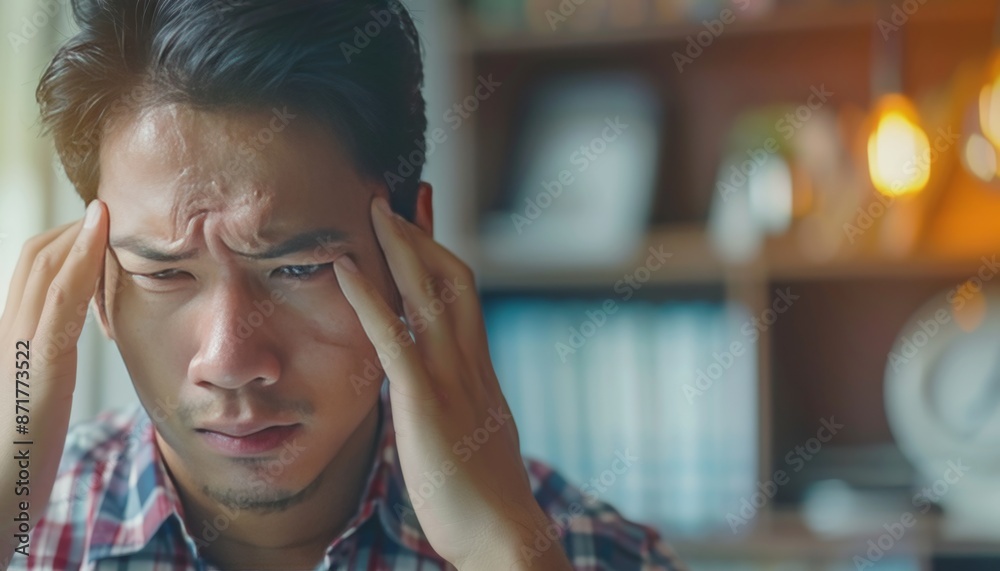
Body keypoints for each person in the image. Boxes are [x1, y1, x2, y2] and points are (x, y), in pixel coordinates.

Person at [1, 1, 686, 569]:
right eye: (164, 272)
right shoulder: (29, 530)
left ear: (411, 258)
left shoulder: (590, 552)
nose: (231, 360)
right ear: (95, 287)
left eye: (299, 268)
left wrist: (505, 554)